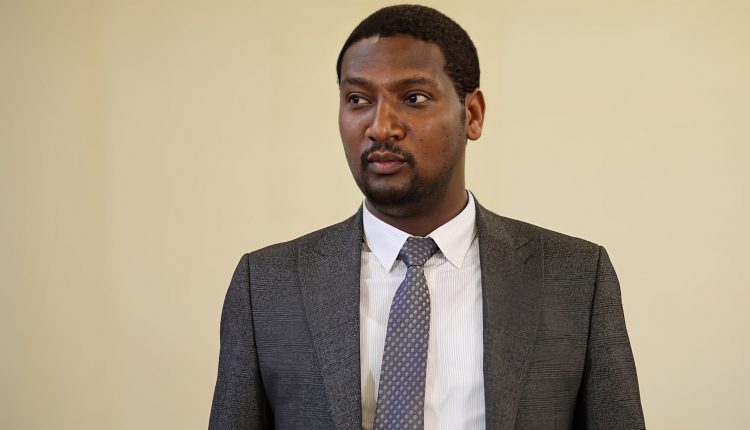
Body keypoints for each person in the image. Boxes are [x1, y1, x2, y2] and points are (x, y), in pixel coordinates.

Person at [209, 5, 645, 429]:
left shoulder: (575, 278)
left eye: (413, 98)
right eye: (357, 99)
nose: (381, 127)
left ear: (472, 115)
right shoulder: (265, 285)